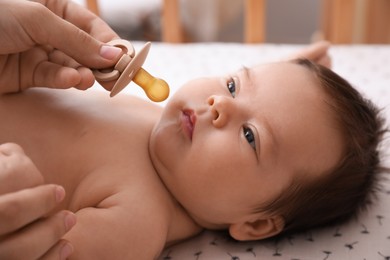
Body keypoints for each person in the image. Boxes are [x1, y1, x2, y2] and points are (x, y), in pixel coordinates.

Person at [0, 2, 387, 260]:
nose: (220, 105)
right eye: (233, 84)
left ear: (254, 224)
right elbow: (272, 104)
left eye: (250, 136)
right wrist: (296, 68)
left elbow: (35, 249)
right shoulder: (164, 119)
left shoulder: (139, 222)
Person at [0, 0, 122, 259]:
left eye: (235, 136)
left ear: (234, 221)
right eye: (231, 85)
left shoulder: (143, 214)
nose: (219, 105)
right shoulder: (152, 114)